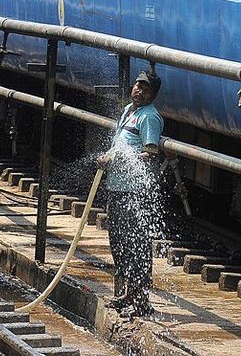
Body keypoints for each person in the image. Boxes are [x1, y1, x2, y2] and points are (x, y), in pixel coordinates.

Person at [96, 70, 173, 317]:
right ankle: (126, 294)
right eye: (137, 86)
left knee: (136, 244)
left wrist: (118, 157)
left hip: (134, 191)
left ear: (153, 95)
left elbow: (150, 155)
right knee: (118, 243)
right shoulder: (129, 109)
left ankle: (141, 301)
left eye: (146, 89)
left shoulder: (149, 117)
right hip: (117, 187)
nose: (139, 90)